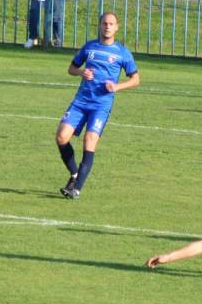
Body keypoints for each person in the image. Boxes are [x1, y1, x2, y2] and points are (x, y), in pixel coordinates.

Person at [56, 11, 140, 199]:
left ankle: (76, 189)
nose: (107, 27)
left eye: (111, 24)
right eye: (104, 23)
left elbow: (136, 79)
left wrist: (116, 87)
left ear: (116, 28)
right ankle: (75, 174)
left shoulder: (122, 53)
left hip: (101, 106)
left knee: (89, 140)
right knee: (61, 137)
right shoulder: (89, 47)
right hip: (81, 102)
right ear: (100, 26)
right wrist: (81, 72)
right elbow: (71, 68)